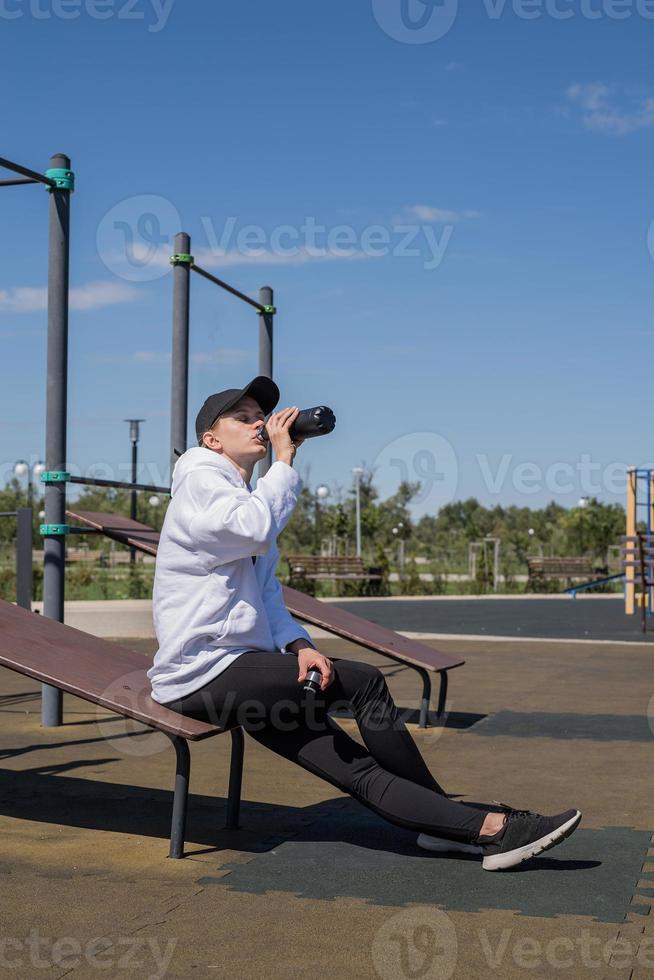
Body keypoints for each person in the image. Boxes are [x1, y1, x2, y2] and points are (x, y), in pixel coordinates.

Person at [147, 376, 581, 872]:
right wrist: (285, 461)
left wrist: (299, 645)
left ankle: (461, 828)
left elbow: (266, 592)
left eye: (259, 415)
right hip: (201, 674)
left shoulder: (241, 492)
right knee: (365, 682)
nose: (259, 424)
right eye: (242, 417)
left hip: (246, 670)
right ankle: (472, 825)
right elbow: (256, 528)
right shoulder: (201, 477)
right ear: (212, 440)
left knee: (352, 766)